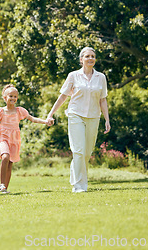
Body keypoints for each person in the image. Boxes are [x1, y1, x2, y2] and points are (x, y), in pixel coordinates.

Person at [46, 47, 111, 193]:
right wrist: (51, 113)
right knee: (79, 151)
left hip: (94, 116)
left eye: (93, 56)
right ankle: (79, 185)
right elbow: (63, 96)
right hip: (75, 114)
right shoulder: (73, 76)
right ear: (81, 60)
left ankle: (76, 175)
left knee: (87, 153)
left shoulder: (101, 77)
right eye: (87, 56)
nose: (90, 58)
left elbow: (103, 100)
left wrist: (107, 119)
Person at [0, 84, 49, 194]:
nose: (13, 98)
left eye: (15, 96)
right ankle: (2, 184)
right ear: (5, 98)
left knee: (10, 163)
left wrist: (45, 121)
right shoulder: (1, 111)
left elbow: (32, 119)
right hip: (3, 138)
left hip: (14, 139)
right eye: (11, 96)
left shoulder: (20, 111)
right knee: (5, 156)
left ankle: (5, 189)